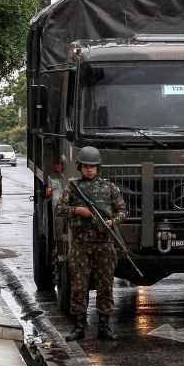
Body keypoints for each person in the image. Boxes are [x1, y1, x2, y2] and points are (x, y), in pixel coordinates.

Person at [56, 146, 127, 341]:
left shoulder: (109, 188)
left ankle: (104, 326)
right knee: (79, 286)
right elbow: (60, 209)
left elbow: (122, 211)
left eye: (93, 166)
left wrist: (111, 222)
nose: (90, 170)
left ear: (98, 168)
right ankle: (79, 327)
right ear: (80, 167)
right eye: (86, 166)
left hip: (104, 244)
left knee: (105, 286)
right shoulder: (72, 187)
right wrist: (78, 210)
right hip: (80, 245)